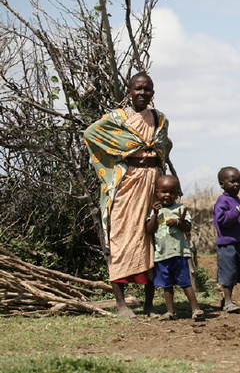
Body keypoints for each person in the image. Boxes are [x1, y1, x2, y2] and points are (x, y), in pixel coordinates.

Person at [84, 72, 171, 317]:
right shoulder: (117, 119)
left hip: (153, 183)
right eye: (138, 89)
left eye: (147, 89)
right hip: (127, 183)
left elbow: (165, 145)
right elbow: (91, 134)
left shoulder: (159, 119)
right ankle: (121, 305)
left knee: (151, 241)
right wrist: (124, 153)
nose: (142, 93)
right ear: (129, 91)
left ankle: (149, 304)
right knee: (121, 238)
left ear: (153, 92)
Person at [146, 175, 204, 321]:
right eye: (164, 192)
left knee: (185, 282)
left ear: (177, 193)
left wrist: (178, 222)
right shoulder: (154, 210)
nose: (167, 195)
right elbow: (149, 229)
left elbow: (188, 227)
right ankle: (170, 311)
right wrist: (154, 214)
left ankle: (195, 309)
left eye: (172, 192)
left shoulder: (180, 209)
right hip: (162, 255)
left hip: (179, 253)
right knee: (167, 285)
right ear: (157, 192)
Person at [213, 166, 240, 312]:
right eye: (232, 181)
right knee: (228, 273)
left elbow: (239, 223)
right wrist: (238, 210)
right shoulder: (222, 201)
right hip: (228, 245)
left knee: (237, 272)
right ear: (222, 183)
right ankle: (228, 302)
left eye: (239, 181)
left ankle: (226, 300)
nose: (237, 184)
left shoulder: (237, 200)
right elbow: (223, 221)